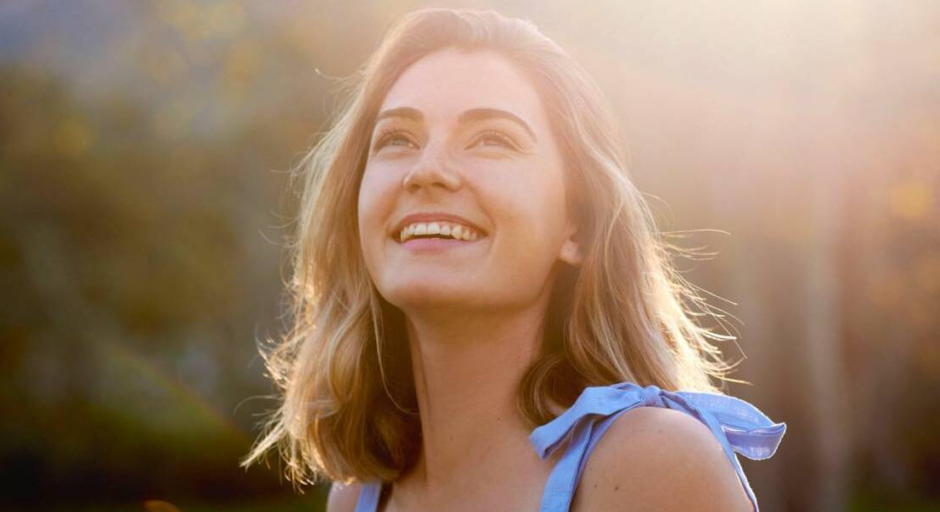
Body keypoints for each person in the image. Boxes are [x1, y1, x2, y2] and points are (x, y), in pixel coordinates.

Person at [241, 7, 786, 512]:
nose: (426, 170)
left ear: (577, 226)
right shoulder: (358, 496)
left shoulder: (654, 465)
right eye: (398, 139)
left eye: (491, 139)